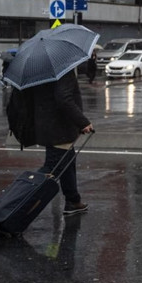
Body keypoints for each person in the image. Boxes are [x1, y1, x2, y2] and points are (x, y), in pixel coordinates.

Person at [32, 70, 94, 216]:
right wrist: (82, 122)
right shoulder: (63, 70)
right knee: (51, 169)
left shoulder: (43, 71)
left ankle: (73, 201)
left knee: (67, 162)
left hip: (49, 125)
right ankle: (16, 205)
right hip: (59, 128)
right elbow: (64, 99)